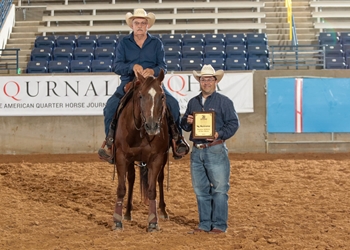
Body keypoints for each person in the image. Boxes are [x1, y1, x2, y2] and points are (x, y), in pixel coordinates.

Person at [98, 8, 189, 163]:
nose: (140, 26)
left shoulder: (156, 43)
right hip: (130, 82)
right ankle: (110, 142)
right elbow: (117, 66)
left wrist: (152, 70)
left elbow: (163, 67)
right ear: (132, 25)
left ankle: (177, 138)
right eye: (137, 23)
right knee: (110, 107)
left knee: (172, 103)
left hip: (152, 82)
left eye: (143, 23)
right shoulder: (124, 43)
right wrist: (132, 67)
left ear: (148, 26)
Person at [180, 64, 240, 234]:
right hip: (197, 150)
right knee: (200, 190)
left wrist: (219, 134)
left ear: (215, 81)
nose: (206, 82)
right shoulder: (193, 102)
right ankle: (205, 223)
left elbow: (234, 124)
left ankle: (219, 224)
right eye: (203, 79)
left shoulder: (224, 102)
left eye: (209, 79)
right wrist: (187, 121)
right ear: (200, 81)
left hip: (215, 148)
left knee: (220, 189)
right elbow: (184, 125)